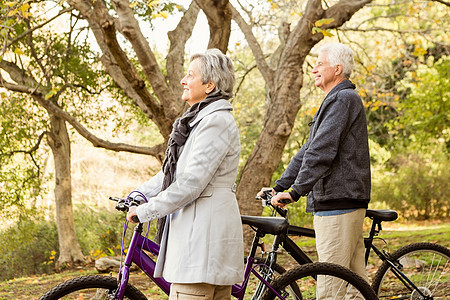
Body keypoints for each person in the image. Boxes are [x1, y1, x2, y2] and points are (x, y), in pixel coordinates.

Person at [127, 48, 244, 299]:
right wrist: (138, 194)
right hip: (200, 242)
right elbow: (172, 173)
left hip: (202, 245)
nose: (183, 80)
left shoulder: (215, 122)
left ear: (210, 85)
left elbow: (191, 183)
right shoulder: (198, 120)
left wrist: (147, 211)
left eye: (190, 75)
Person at [259, 43, 370, 298]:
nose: (314, 70)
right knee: (355, 287)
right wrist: (280, 186)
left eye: (320, 64)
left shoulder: (342, 99)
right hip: (339, 202)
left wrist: (296, 191)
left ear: (338, 68)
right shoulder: (334, 100)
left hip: (337, 203)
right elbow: (308, 150)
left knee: (331, 287)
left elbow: (321, 152)